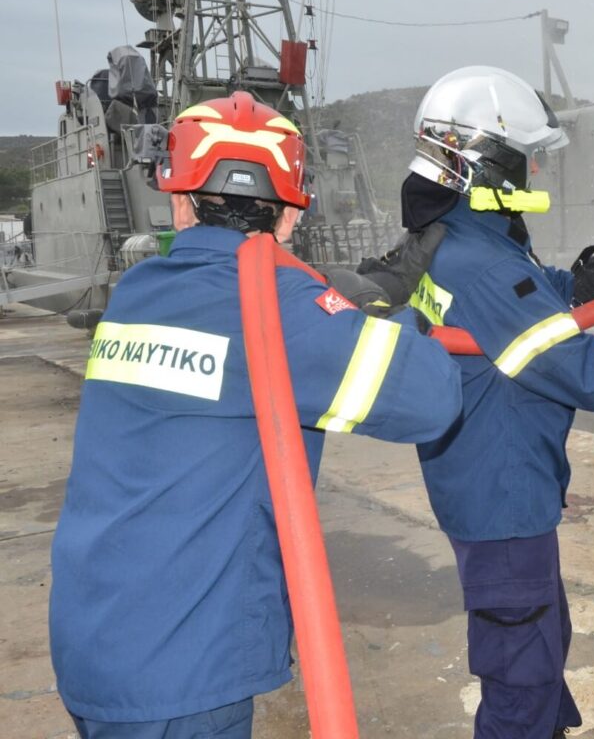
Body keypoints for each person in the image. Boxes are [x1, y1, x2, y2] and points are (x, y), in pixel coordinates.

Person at [49, 91, 462, 738]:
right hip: (181, 671)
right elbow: (434, 399)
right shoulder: (282, 310)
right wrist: (371, 311)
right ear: (292, 215)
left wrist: (322, 300)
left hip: (94, 638)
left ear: (180, 203)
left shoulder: (136, 293)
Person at [397, 66, 594, 738]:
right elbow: (582, 374)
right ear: (484, 165)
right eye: (524, 162)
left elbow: (536, 301)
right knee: (523, 677)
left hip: (482, 486)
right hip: (503, 505)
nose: (533, 177)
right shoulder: (483, 265)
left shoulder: (459, 241)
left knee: (539, 647)